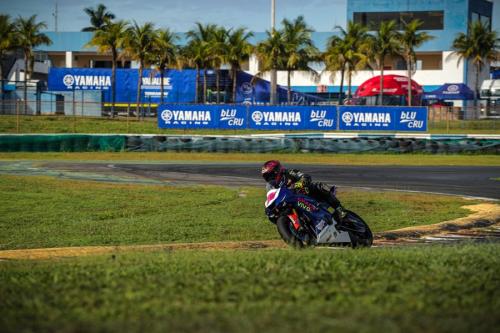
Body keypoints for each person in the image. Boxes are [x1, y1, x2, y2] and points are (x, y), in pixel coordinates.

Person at [261, 160, 347, 223]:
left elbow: (305, 177)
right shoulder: (271, 186)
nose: (269, 179)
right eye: (267, 177)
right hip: (291, 202)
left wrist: (297, 184)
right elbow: (271, 197)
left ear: (276, 171)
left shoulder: (290, 173)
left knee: (320, 186)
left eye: (270, 175)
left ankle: (340, 209)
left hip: (307, 195)